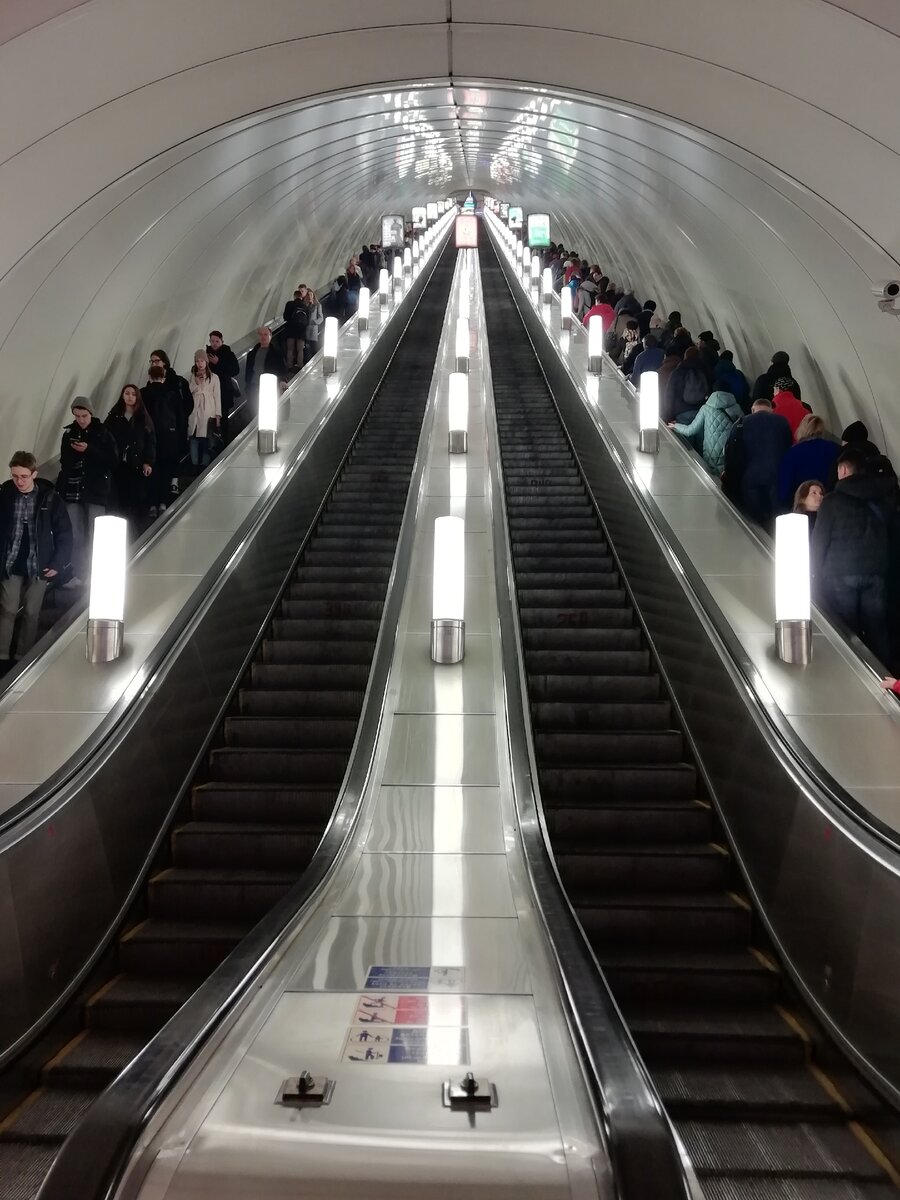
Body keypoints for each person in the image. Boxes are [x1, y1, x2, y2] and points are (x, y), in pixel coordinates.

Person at [811, 448, 897, 664]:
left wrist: (813, 574)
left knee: (846, 630)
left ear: (843, 469)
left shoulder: (831, 501)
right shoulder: (881, 499)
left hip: (840, 573)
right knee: (877, 630)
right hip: (875, 572)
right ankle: (885, 680)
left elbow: (819, 542)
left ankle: (849, 674)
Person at [0, 452, 72, 668]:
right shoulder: (5, 494)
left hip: (40, 562)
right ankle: (2, 655)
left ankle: (23, 655)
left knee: (32, 612)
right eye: (15, 476)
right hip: (10, 561)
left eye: (23, 476)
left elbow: (64, 532)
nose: (19, 481)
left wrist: (58, 562)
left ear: (34, 474)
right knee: (8, 609)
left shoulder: (49, 498)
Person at [56, 398, 117, 580]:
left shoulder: (103, 433)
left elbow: (113, 460)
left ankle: (96, 574)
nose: (81, 420)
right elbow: (64, 462)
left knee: (95, 534)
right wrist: (75, 452)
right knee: (76, 534)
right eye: (77, 416)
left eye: (84, 415)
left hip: (96, 489)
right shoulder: (68, 434)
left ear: (91, 413)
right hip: (72, 489)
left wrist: (89, 449)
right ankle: (79, 574)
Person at [726, 398, 792, 527]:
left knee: (755, 520)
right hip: (776, 477)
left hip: (749, 477)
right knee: (777, 518)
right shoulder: (782, 422)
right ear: (772, 410)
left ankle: (758, 541)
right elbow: (788, 447)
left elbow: (730, 451)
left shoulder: (741, 423)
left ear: (752, 409)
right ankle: (772, 542)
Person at [142, 350, 192, 514]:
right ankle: (163, 503)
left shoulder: (143, 394)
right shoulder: (172, 394)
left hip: (149, 439)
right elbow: (181, 418)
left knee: (151, 471)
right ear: (163, 376)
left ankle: (151, 505)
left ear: (150, 377)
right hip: (169, 439)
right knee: (165, 471)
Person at [105, 384, 155, 528]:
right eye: (127, 393)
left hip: (137, 464)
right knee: (119, 499)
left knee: (137, 497)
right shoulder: (114, 416)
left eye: (133, 394)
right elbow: (107, 438)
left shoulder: (143, 417)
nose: (130, 396)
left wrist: (148, 462)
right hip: (118, 464)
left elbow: (150, 441)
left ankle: (138, 528)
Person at [667, 389, 743, 474]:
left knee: (712, 481)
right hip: (729, 451)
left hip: (710, 454)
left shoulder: (706, 408)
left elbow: (690, 430)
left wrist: (676, 426)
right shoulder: (736, 407)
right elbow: (743, 429)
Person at [778, 414, 840, 506]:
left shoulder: (793, 453)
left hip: (803, 505)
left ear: (802, 429)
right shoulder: (836, 449)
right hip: (830, 503)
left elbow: (784, 489)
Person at [188, 350, 222, 471]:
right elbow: (190, 391)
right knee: (194, 436)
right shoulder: (192, 376)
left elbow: (217, 396)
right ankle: (194, 463)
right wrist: (197, 383)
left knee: (207, 437)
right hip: (195, 409)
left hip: (208, 410)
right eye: (197, 361)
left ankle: (205, 464)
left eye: (202, 361)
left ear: (206, 361)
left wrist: (218, 416)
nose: (199, 364)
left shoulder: (214, 377)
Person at [206, 331, 240, 440]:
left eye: (217, 341)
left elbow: (235, 370)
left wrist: (218, 363)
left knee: (223, 417)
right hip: (210, 392)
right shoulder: (207, 355)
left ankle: (224, 440)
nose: (215, 344)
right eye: (212, 341)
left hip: (223, 392)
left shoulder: (228, 353)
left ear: (222, 342)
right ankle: (214, 442)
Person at [664, 345, 708, 424]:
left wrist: (668, 416)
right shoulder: (705, 371)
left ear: (685, 356)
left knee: (683, 435)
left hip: (682, 412)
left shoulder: (678, 372)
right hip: (701, 412)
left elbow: (670, 394)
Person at [245, 326, 289, 398]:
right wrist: (247, 387)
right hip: (253, 388)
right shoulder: (251, 354)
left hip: (269, 387)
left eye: (265, 334)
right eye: (260, 334)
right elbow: (248, 371)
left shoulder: (277, 353)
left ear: (270, 336)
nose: (263, 337)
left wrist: (282, 380)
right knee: (253, 408)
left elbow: (283, 369)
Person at [282, 288, 309, 371]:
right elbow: (307, 319)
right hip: (301, 331)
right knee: (300, 349)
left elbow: (285, 317)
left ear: (294, 296)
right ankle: (300, 366)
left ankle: (290, 366)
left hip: (291, 329)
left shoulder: (289, 304)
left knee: (290, 349)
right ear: (301, 297)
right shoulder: (305, 306)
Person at [302, 288, 324, 365]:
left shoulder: (317, 305)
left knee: (313, 347)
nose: (309, 296)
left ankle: (315, 363)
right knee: (306, 348)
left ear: (313, 295)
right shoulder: (304, 305)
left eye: (311, 294)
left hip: (313, 329)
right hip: (305, 329)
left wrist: (315, 322)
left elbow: (321, 317)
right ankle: (307, 363)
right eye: (308, 295)